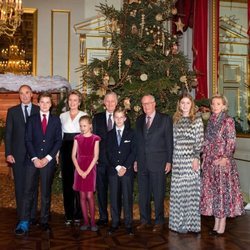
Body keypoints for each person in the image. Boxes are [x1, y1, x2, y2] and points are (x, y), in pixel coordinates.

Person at [15, 92, 62, 235]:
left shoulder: (55, 121)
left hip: (48, 161)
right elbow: (27, 140)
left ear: (51, 104)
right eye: (42, 102)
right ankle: (24, 221)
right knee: (28, 191)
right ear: (38, 103)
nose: (45, 105)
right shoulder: (32, 119)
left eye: (48, 102)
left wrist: (47, 158)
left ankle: (44, 221)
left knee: (46, 193)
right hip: (32, 161)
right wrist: (35, 158)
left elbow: (58, 141)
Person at [200, 94, 245, 235]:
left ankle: (222, 223)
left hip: (222, 163)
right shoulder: (211, 120)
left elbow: (231, 141)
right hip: (210, 162)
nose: (215, 106)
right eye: (213, 104)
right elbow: (206, 142)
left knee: (222, 194)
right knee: (214, 193)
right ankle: (216, 223)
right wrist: (204, 159)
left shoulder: (228, 121)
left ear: (224, 106)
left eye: (218, 104)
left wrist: (225, 157)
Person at [134, 94, 173, 233]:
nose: (146, 106)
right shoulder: (139, 120)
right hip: (142, 163)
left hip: (159, 162)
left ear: (154, 103)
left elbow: (169, 142)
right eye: (143, 104)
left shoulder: (165, 119)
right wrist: (136, 160)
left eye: (148, 103)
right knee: (143, 194)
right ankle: (144, 220)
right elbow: (137, 142)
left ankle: (159, 221)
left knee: (158, 194)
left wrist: (169, 161)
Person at [5, 84, 40, 226]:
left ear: (32, 94)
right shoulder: (12, 111)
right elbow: (8, 134)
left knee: (33, 185)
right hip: (18, 155)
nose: (24, 95)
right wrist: (8, 153)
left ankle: (32, 215)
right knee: (19, 185)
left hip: (35, 155)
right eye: (21, 93)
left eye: (27, 92)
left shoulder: (39, 110)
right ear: (19, 95)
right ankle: (22, 215)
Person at [169, 94, 204, 233]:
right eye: (182, 103)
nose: (184, 105)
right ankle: (177, 224)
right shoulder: (176, 120)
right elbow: (174, 141)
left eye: (187, 103)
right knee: (179, 194)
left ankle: (191, 224)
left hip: (191, 162)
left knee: (190, 193)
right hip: (178, 161)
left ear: (192, 104)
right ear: (179, 105)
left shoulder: (197, 120)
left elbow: (200, 141)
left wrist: (196, 157)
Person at [93, 92, 129, 226]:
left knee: (116, 191)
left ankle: (116, 217)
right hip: (101, 161)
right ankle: (103, 216)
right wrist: (94, 156)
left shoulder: (124, 118)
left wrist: (123, 163)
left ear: (117, 102)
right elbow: (94, 139)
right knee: (101, 190)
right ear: (104, 102)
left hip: (117, 163)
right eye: (107, 101)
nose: (110, 103)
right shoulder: (97, 118)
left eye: (112, 101)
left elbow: (127, 141)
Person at [106, 107, 136, 235]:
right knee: (114, 197)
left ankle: (128, 224)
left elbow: (134, 152)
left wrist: (124, 167)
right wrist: (117, 167)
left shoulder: (131, 133)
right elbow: (108, 152)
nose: (118, 120)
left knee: (127, 197)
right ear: (113, 119)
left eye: (121, 117)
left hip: (127, 171)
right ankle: (115, 223)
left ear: (125, 118)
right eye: (116, 117)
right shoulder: (109, 134)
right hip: (113, 171)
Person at [60, 90, 87, 225]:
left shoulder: (84, 115)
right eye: (70, 100)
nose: (72, 102)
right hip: (65, 150)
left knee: (79, 182)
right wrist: (57, 154)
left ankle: (79, 213)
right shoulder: (62, 116)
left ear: (79, 102)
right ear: (68, 101)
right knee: (67, 183)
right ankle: (68, 214)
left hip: (80, 150)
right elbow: (59, 136)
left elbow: (87, 135)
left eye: (75, 100)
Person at [72, 115, 100, 232]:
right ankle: (86, 221)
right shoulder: (77, 138)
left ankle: (93, 221)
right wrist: (79, 170)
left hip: (90, 169)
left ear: (90, 126)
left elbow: (96, 156)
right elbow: (73, 156)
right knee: (82, 196)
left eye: (84, 125)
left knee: (89, 195)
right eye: (80, 126)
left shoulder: (95, 139)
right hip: (79, 168)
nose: (82, 128)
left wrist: (87, 171)